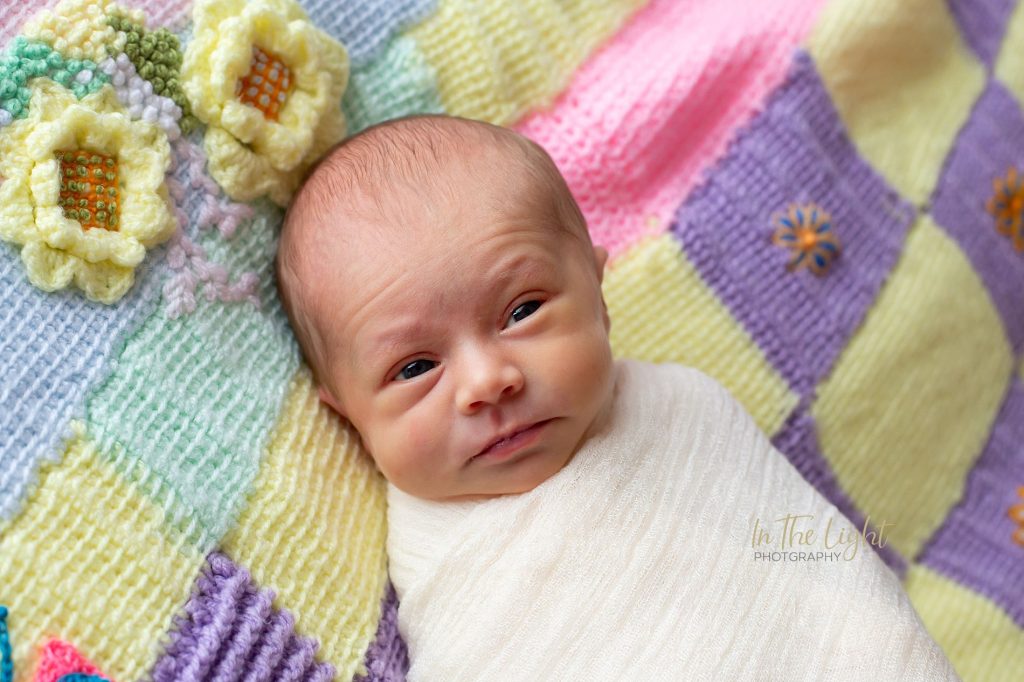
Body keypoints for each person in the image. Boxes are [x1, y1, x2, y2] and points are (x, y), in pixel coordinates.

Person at [275, 114, 958, 681]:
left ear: (598, 294)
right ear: (346, 412)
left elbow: (818, 582)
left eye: (521, 311)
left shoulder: (684, 416)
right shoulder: (432, 555)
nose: (487, 381)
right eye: (416, 367)